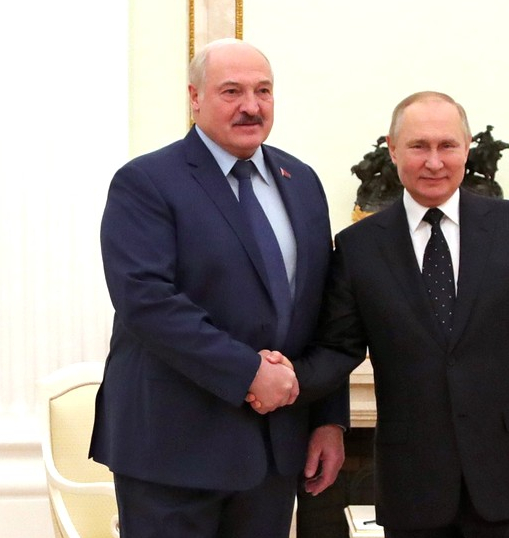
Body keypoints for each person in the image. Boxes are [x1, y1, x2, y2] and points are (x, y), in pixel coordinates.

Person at [282, 91, 509, 537]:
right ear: (392, 150)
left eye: (447, 146)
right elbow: (338, 349)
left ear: (468, 147)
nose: (434, 162)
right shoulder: (358, 247)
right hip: (412, 486)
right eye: (419, 146)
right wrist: (282, 378)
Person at [90, 38, 347, 538]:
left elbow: (321, 310)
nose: (251, 106)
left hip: (274, 451)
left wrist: (328, 419)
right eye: (232, 91)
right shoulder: (146, 182)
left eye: (263, 91)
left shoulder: (302, 181)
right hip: (172, 450)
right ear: (195, 97)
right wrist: (250, 372)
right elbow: (147, 302)